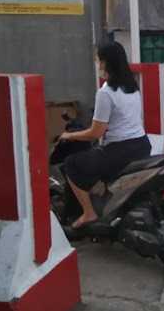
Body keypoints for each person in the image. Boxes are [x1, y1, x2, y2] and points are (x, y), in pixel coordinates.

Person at [60, 42, 151, 229]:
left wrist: (70, 136)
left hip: (120, 151)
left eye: (98, 59)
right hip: (142, 145)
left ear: (106, 63)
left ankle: (88, 213)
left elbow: (96, 133)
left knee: (72, 164)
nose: (97, 64)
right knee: (94, 159)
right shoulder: (132, 86)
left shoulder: (106, 92)